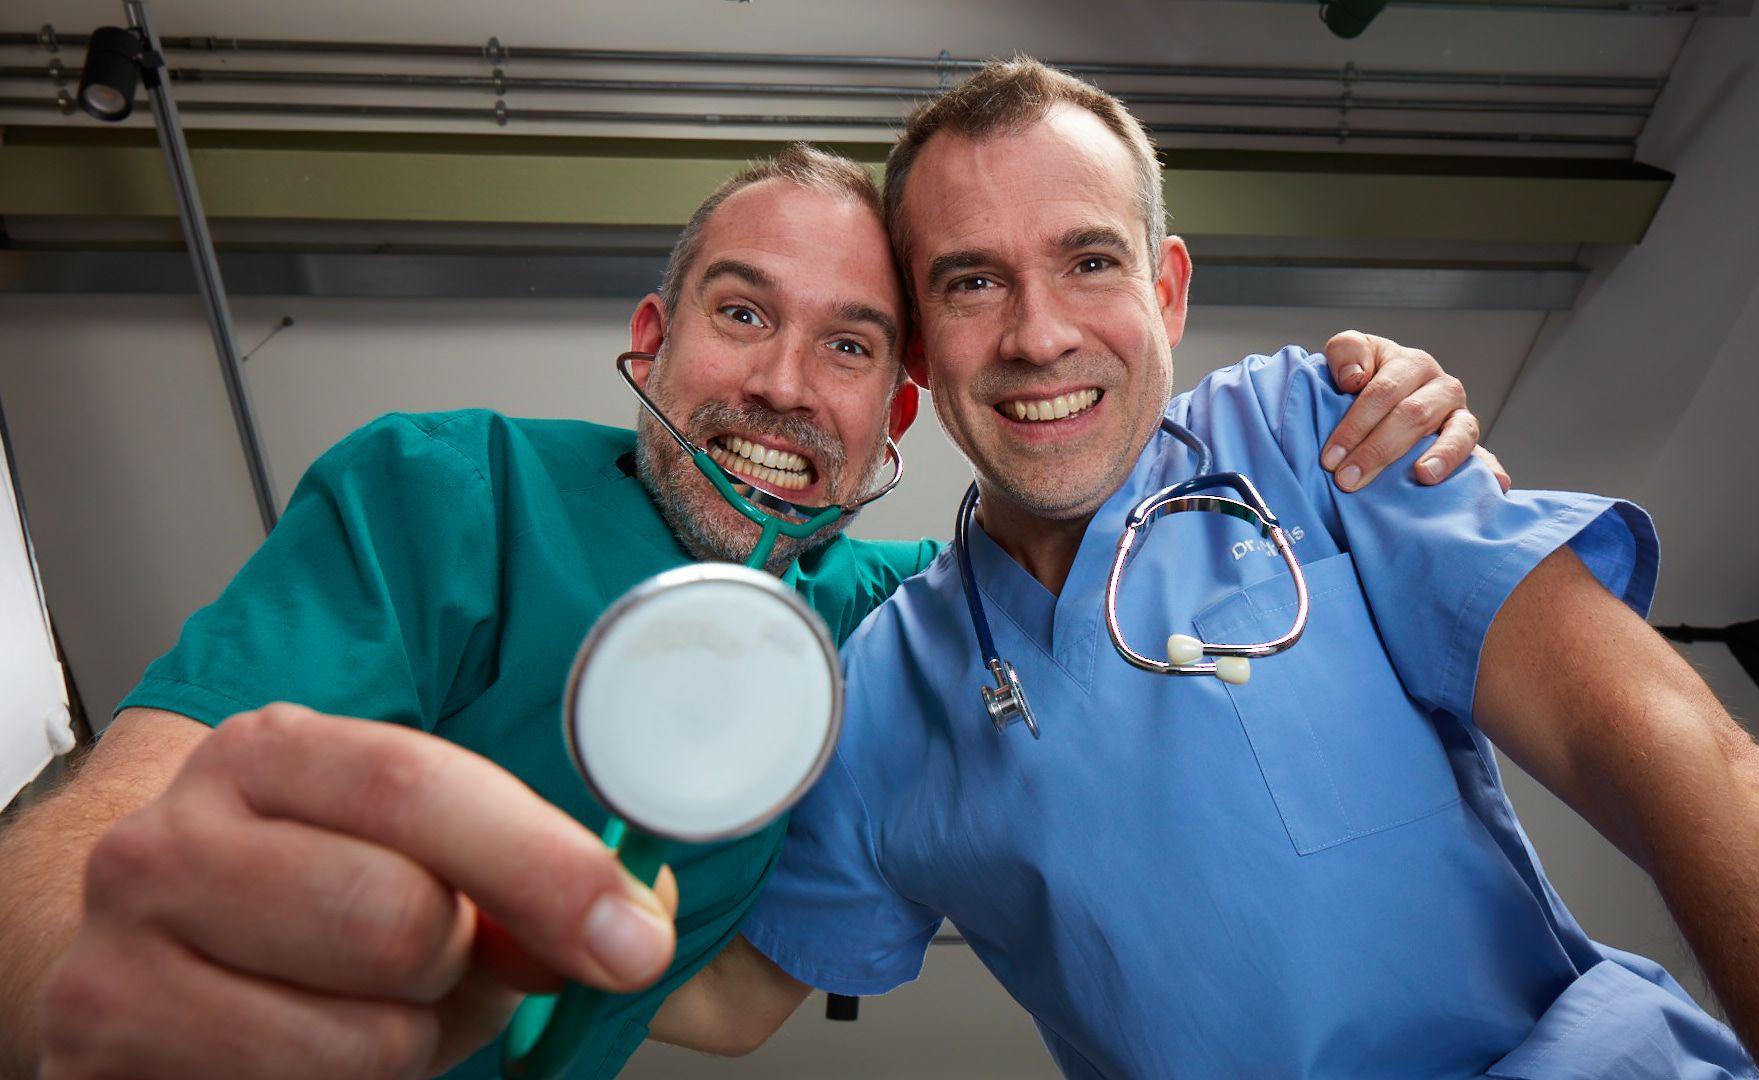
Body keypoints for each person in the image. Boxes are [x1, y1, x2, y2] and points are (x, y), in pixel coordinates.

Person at [0, 142, 1489, 1078]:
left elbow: (730, 1004)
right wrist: (82, 999)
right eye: (741, 311)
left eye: (851, 344)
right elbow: (91, 847)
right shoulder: (447, 493)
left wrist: (1357, 407)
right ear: (653, 337)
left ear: (900, 410)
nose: (786, 383)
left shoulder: (904, 630)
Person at [657, 61, 1759, 1078]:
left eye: (1091, 262)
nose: (1040, 336)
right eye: (974, 282)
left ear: (1168, 290)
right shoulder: (881, 694)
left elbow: (1659, 752)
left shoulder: (1317, 431)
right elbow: (729, 1001)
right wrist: (485, 932)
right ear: (923, 352)